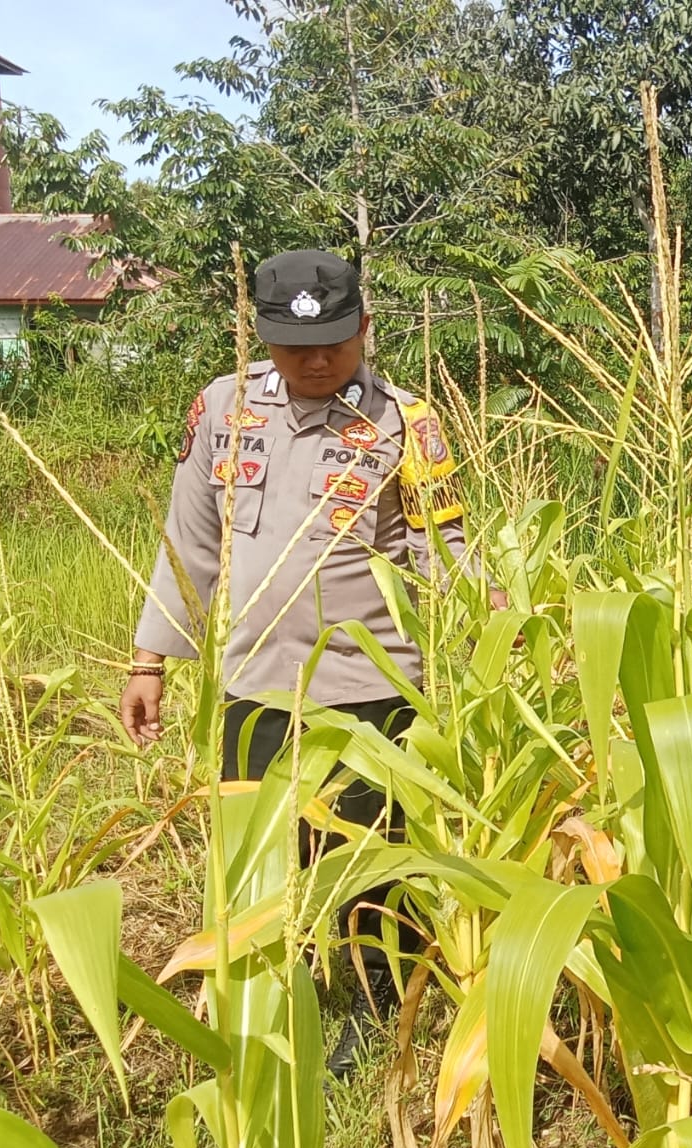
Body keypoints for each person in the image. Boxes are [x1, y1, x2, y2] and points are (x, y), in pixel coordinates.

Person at [121, 249, 473, 1079]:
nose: (317, 360)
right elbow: (193, 544)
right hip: (251, 683)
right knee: (261, 857)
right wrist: (150, 660)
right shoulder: (223, 409)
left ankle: (377, 1002)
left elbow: (439, 544)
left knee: (364, 858)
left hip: (368, 687)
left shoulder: (404, 422)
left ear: (365, 327)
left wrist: (491, 617)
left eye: (336, 342)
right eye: (293, 344)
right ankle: (272, 1005)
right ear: (261, 334)